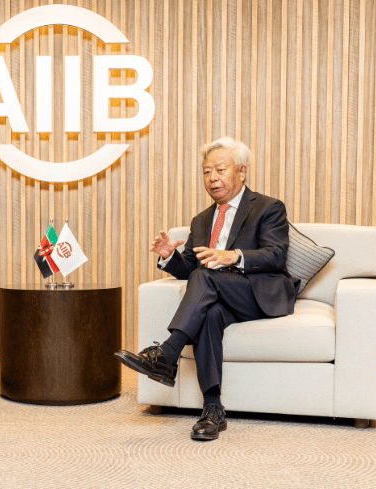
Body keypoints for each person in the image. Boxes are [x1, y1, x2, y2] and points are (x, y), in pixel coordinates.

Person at [116, 137, 299, 441]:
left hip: (258, 293)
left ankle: (166, 354)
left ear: (241, 171)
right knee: (209, 312)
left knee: (205, 277)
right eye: (206, 171)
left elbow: (276, 254)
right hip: (218, 295)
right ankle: (212, 409)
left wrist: (234, 256)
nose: (213, 178)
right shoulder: (201, 220)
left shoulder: (268, 207)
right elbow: (190, 267)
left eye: (220, 170)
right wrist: (169, 257)